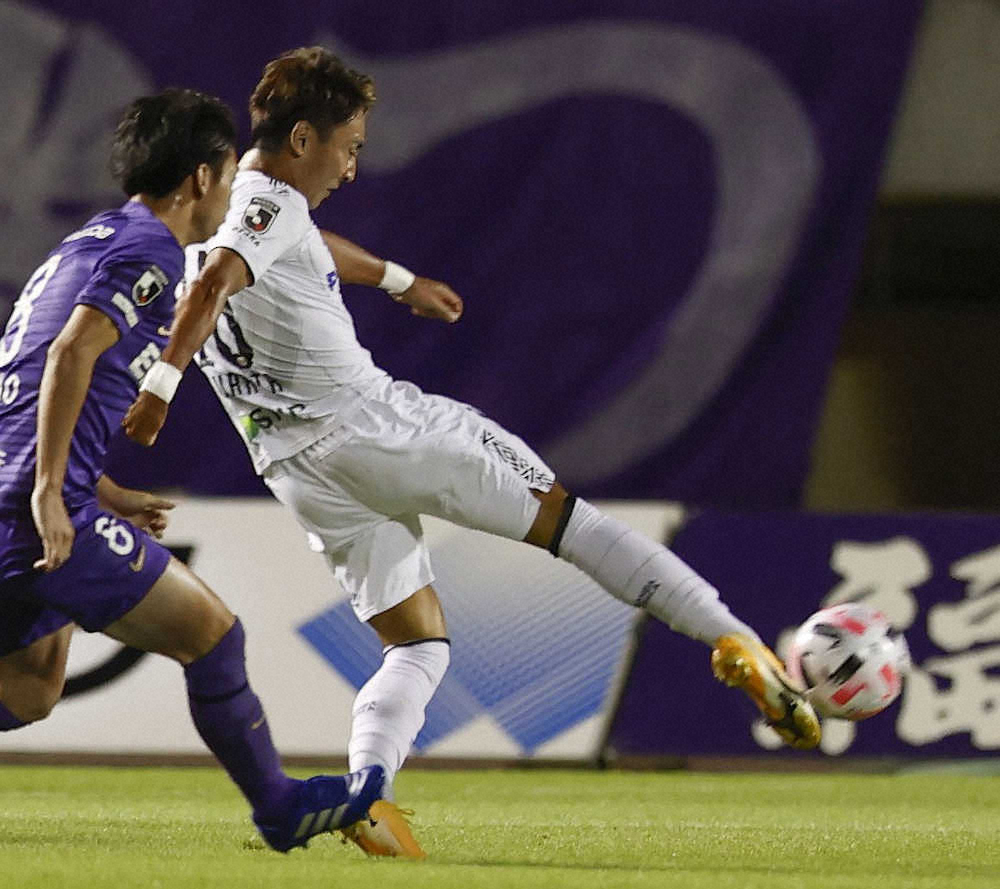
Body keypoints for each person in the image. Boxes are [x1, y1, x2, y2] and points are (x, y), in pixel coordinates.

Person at [123, 48, 822, 858]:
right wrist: (163, 386)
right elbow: (221, 280)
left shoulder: (209, 214)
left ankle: (369, 794)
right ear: (304, 139)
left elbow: (292, 247)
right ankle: (735, 638)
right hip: (381, 428)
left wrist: (396, 279)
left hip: (299, 469)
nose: (351, 168)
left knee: (416, 642)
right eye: (348, 148)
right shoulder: (259, 213)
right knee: (572, 523)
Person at [0, 88, 384, 853]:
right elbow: (70, 353)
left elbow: (23, 389)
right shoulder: (149, 249)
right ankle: (279, 805)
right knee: (214, 635)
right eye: (229, 175)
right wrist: (52, 491)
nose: (233, 193)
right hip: (40, 507)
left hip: (26, 495)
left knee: (35, 682)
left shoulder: (84, 245)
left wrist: (102, 489)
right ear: (202, 179)